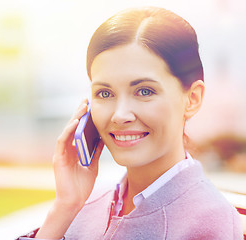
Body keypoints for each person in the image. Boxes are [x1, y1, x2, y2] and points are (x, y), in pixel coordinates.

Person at [18, 6, 243, 240]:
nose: (119, 114)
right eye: (105, 93)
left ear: (192, 99)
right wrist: (64, 207)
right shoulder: (85, 204)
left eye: (144, 91)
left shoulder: (209, 223)